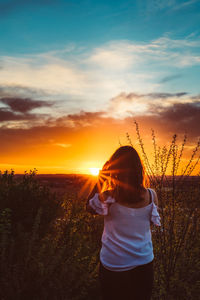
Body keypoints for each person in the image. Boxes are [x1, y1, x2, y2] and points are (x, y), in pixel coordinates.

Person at [86, 146, 161, 300]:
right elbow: (149, 224)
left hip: (114, 267)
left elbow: (89, 207)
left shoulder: (108, 197)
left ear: (115, 170)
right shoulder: (151, 195)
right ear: (139, 170)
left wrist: (101, 177)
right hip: (144, 264)